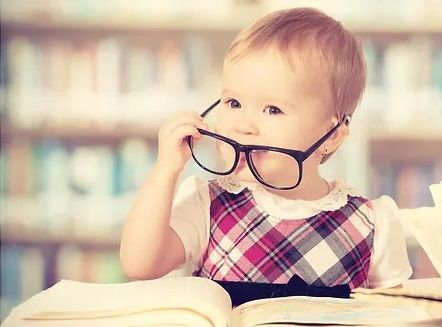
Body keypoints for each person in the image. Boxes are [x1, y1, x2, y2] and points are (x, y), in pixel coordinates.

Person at [120, 7, 412, 290]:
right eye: (234, 103)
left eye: (272, 109)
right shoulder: (208, 204)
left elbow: (394, 314)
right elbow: (141, 265)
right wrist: (165, 170)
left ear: (331, 136)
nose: (244, 125)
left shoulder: (373, 223)